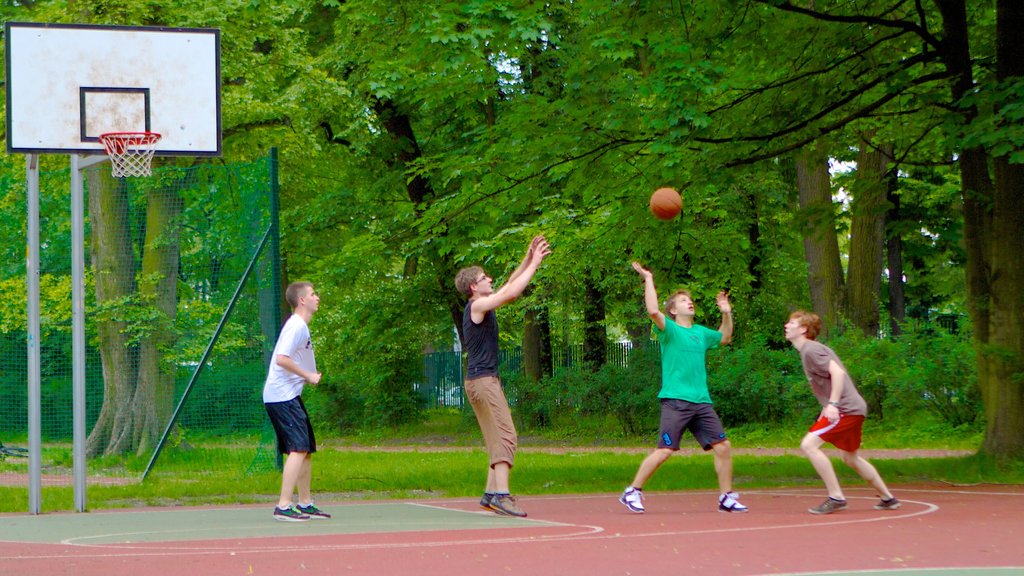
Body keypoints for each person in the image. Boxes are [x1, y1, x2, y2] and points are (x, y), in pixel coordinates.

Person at [619, 262, 748, 514]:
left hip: (701, 401)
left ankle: (726, 497)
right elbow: (652, 309)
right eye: (682, 300)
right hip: (676, 401)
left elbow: (725, 337)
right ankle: (632, 491)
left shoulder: (700, 333)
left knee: (723, 447)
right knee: (665, 450)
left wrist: (726, 312)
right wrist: (648, 278)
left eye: (690, 300)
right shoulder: (670, 331)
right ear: (673, 309)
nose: (689, 302)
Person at [454, 235, 551, 518]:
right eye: (485, 277)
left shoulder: (480, 303)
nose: (490, 279)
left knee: (497, 437)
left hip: (479, 380)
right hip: (483, 382)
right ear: (474, 286)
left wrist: (528, 256)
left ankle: (489, 494)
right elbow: (511, 293)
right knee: (507, 436)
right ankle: (502, 496)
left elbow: (509, 284)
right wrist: (534, 263)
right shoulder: (477, 306)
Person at [784, 310, 900, 514]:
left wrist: (833, 404)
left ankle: (836, 497)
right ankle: (888, 498)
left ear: (803, 329)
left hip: (846, 409)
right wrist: (825, 407)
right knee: (850, 457)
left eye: (791, 323)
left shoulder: (811, 350)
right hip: (852, 408)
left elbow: (838, 373)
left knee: (809, 445)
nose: (786, 325)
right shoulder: (808, 351)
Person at [263, 281, 330, 522]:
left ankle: (305, 502)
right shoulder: (296, 326)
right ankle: (283, 505)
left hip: (289, 396)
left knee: (306, 449)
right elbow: (281, 358)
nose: (317, 297)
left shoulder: (300, 326)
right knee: (298, 448)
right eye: (313, 294)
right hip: (281, 396)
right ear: (302, 300)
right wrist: (308, 375)